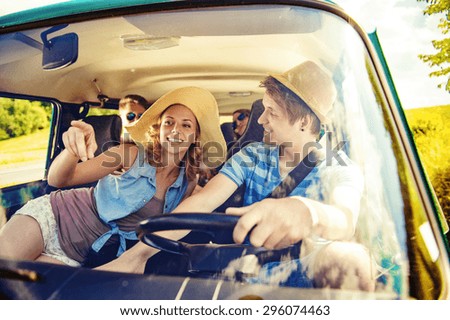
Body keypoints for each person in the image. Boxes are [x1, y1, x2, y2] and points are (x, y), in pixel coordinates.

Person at [98, 61, 376, 291]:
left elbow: (345, 217)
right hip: (237, 278)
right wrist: (136, 258)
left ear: (304, 122)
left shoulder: (339, 167)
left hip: (303, 289)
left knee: (351, 259)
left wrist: (309, 212)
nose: (260, 120)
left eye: (272, 112)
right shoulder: (252, 154)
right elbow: (202, 202)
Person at [0, 86, 226, 270]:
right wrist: (72, 150)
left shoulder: (189, 182)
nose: (175, 130)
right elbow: (59, 180)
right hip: (54, 217)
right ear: (159, 129)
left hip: (81, 255)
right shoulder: (128, 153)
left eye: (186, 125)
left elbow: (171, 228)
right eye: (169, 122)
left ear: (195, 136)